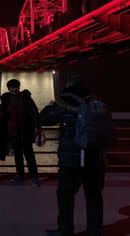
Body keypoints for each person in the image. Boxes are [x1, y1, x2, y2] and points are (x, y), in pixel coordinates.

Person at [41, 78, 109, 236]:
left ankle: (65, 229)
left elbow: (43, 118)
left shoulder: (63, 101)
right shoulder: (96, 102)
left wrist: (51, 105)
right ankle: (95, 231)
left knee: (65, 195)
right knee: (93, 195)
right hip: (94, 157)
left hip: (70, 159)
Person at [1, 79, 41, 187]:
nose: (14, 89)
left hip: (26, 131)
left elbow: (35, 112)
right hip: (13, 132)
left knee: (29, 155)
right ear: (8, 88)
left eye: (16, 87)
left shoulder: (26, 97)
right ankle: (20, 175)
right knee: (18, 155)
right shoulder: (5, 99)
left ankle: (34, 177)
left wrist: (37, 127)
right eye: (12, 87)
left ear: (19, 87)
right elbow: (3, 115)